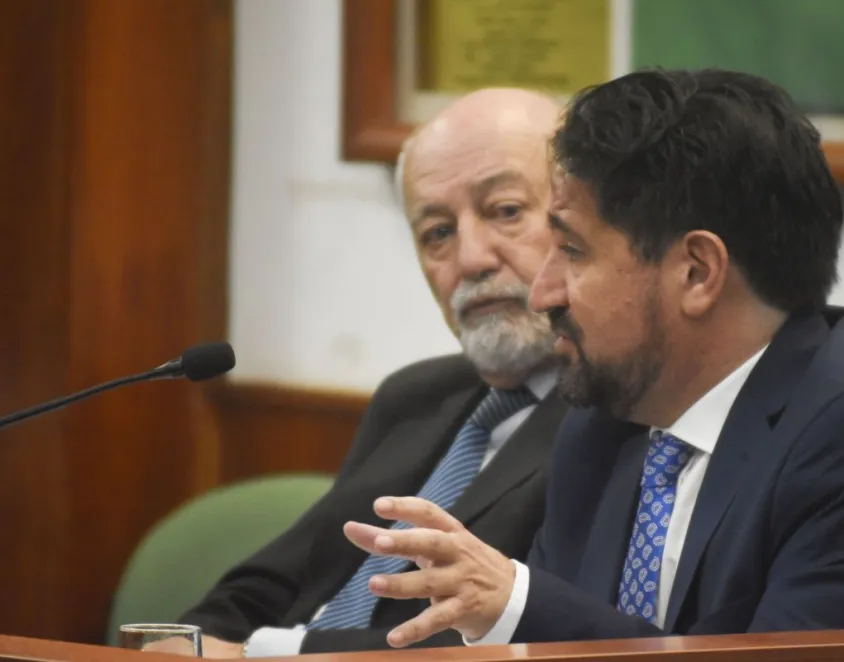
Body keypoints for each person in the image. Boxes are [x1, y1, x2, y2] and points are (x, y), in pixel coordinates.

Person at [339, 68, 844, 648]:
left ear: (697, 272)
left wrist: (518, 606)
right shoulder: (602, 427)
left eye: (572, 251)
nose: (544, 292)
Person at [175, 87, 570, 656]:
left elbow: (504, 642)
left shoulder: (615, 415)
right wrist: (185, 641)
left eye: (505, 211)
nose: (471, 259)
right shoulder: (417, 395)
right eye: (437, 232)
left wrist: (257, 655)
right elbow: (276, 579)